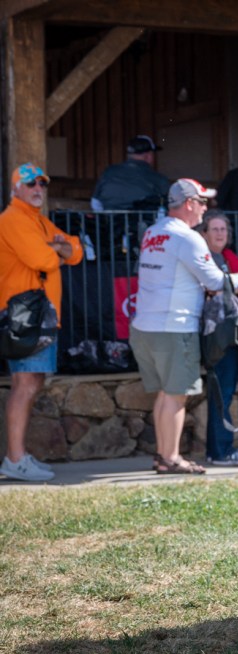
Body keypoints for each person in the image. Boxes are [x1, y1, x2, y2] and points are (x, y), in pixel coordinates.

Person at [130, 179, 238, 474]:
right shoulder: (187, 237)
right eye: (202, 202)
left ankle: (162, 456)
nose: (205, 209)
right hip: (174, 326)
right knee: (176, 395)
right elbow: (213, 280)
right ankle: (171, 458)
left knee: (163, 393)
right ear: (188, 204)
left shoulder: (153, 232)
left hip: (145, 326)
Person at [0, 163, 84, 482]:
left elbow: (75, 250)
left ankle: (17, 456)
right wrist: (56, 251)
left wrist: (59, 249)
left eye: (42, 184)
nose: (38, 189)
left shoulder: (37, 221)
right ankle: (15, 458)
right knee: (24, 384)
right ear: (16, 189)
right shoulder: (13, 219)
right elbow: (43, 259)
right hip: (23, 316)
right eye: (31, 184)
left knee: (32, 382)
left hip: (39, 315)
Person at [197, 210, 238, 466]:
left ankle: (220, 448)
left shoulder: (227, 256)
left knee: (225, 391)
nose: (220, 234)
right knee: (222, 392)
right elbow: (211, 287)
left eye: (223, 229)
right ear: (204, 233)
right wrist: (233, 284)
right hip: (215, 334)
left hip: (230, 332)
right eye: (215, 229)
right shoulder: (203, 256)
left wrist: (228, 285)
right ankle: (220, 451)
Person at [91, 135, 172, 212]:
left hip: (111, 224)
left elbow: (95, 202)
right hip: (144, 224)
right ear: (148, 156)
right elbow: (170, 204)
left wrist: (107, 220)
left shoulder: (109, 172)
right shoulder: (159, 179)